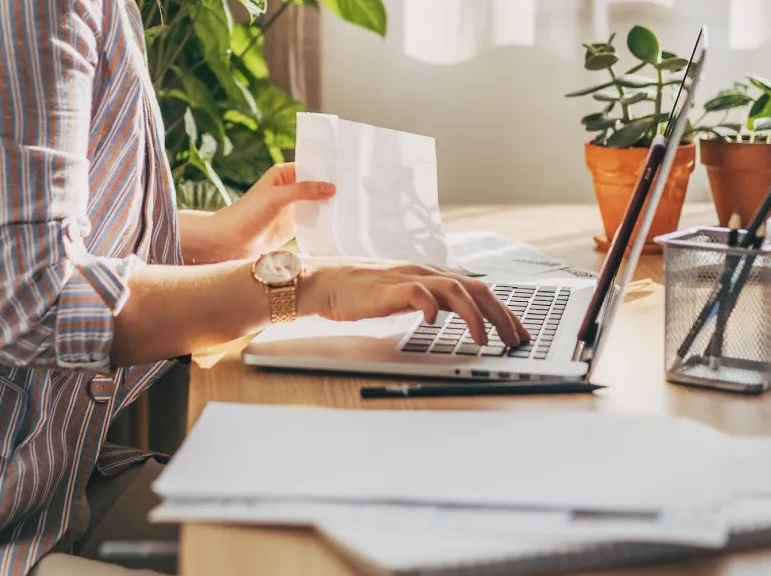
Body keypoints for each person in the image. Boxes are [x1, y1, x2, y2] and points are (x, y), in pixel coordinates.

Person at [0, 1, 529, 575]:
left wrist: (214, 240)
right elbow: (36, 300)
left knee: (397, 528)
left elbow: (26, 231)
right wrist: (301, 286)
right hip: (17, 518)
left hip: (53, 476)